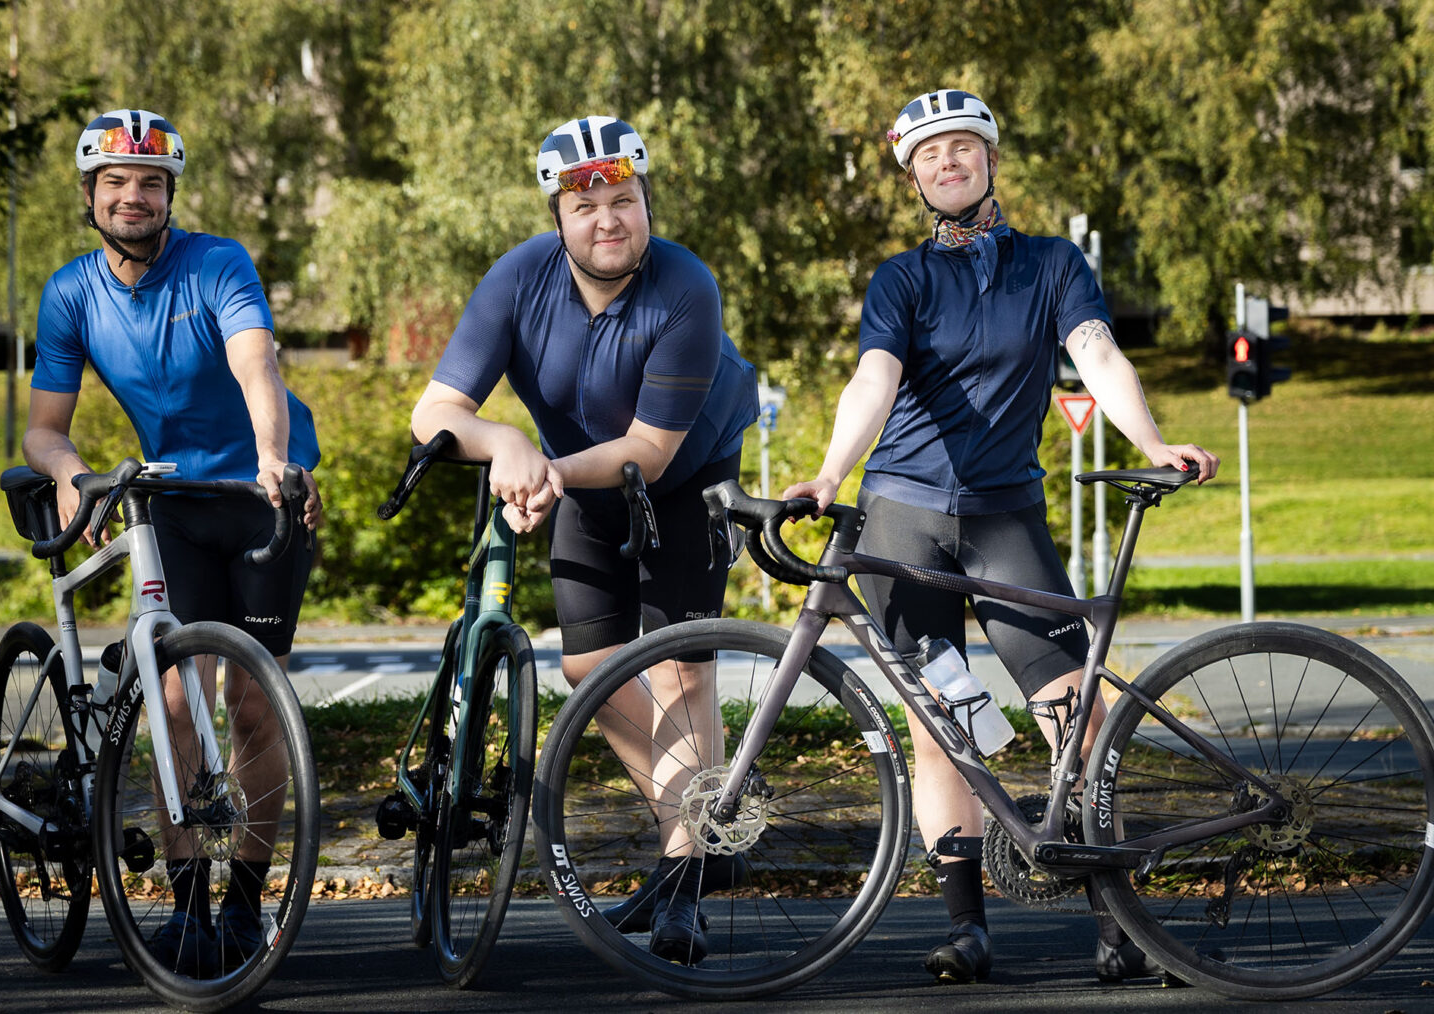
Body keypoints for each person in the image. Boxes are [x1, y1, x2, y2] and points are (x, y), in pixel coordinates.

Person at [782, 89, 1220, 985]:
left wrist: (1150, 440)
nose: (948, 163)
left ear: (989, 160)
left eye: (961, 148)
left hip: (1006, 514)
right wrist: (830, 472)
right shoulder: (902, 279)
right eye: (928, 155)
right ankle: (966, 928)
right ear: (913, 178)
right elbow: (874, 376)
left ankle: (1117, 922)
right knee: (939, 721)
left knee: (1079, 711)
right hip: (903, 516)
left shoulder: (1054, 264)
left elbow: (1096, 352)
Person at [409, 115, 758, 964]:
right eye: (586, 205)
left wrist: (546, 473)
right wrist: (507, 446)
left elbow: (649, 450)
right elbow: (434, 413)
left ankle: (685, 876)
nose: (608, 219)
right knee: (588, 673)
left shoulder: (686, 286)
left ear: (646, 204)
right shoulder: (518, 278)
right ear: (557, 220)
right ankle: (703, 824)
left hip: (684, 476)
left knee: (679, 668)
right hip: (577, 474)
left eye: (625, 200)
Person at [24, 108, 323, 976]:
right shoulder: (71, 292)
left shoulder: (216, 262)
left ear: (169, 195)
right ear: (90, 196)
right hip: (170, 505)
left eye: (149, 183)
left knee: (254, 704)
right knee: (176, 703)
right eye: (114, 182)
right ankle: (189, 902)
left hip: (263, 498)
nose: (133, 197)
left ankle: (244, 906)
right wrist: (78, 479)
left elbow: (254, 362)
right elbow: (46, 428)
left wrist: (274, 457)